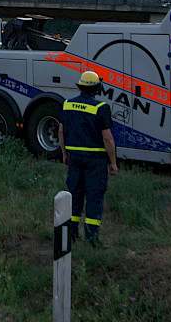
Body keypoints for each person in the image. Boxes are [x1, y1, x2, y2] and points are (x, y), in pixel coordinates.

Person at [58, 70, 119, 247]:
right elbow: (107, 138)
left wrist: (64, 154)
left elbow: (61, 131)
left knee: (75, 195)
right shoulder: (101, 108)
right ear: (96, 88)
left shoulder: (67, 104)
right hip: (95, 161)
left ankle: (72, 235)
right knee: (94, 197)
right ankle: (92, 240)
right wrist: (113, 162)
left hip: (75, 158)